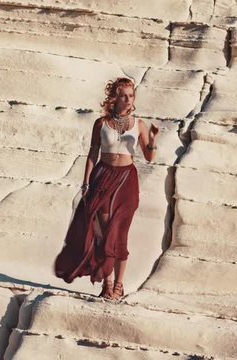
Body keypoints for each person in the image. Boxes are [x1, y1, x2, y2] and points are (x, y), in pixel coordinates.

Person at [54, 77, 159, 300]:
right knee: (102, 234)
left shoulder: (139, 124)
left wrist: (151, 141)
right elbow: (93, 154)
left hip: (126, 181)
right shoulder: (101, 123)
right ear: (115, 98)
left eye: (131, 95)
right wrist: (86, 182)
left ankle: (119, 287)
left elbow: (149, 157)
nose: (128, 99)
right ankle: (107, 284)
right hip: (103, 177)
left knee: (119, 233)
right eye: (124, 95)